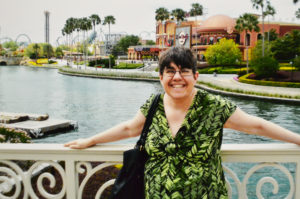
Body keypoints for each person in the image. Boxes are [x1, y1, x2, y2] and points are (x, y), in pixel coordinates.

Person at [64, 46, 300, 198]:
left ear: (196, 76)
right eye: (170, 71)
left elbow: (256, 125)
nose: (177, 77)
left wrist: (297, 139)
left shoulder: (214, 106)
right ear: (161, 77)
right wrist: (90, 140)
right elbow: (129, 128)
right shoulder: (153, 105)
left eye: (184, 71)